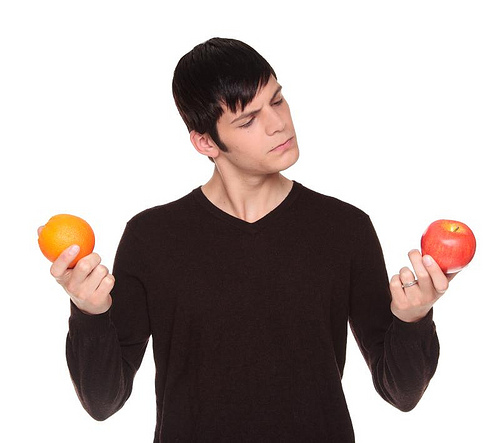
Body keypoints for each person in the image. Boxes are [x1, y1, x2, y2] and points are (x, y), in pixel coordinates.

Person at [46, 38, 454, 442]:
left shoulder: (345, 227)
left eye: (277, 100)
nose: (278, 123)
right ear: (206, 142)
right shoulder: (151, 236)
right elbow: (103, 403)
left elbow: (401, 393)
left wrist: (412, 318)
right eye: (248, 119)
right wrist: (89, 314)